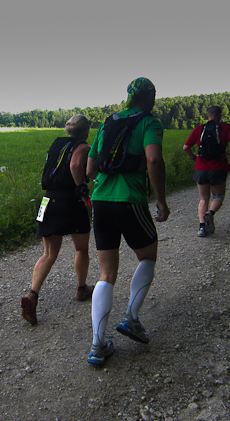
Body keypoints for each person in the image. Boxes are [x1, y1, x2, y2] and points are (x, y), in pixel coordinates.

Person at [85, 77, 169, 365]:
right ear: (150, 97)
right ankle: (131, 318)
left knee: (106, 273)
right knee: (147, 255)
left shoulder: (108, 122)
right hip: (129, 198)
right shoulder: (149, 122)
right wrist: (161, 200)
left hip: (100, 200)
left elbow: (90, 167)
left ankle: (98, 345)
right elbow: (154, 160)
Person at [21, 115, 94, 325]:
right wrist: (82, 191)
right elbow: (75, 165)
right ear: (85, 130)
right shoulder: (83, 146)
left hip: (47, 201)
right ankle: (81, 288)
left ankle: (32, 294)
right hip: (70, 201)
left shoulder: (56, 145)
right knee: (81, 249)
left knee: (48, 253)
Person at [183, 106, 230, 238]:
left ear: (208, 115)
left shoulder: (199, 129)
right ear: (219, 115)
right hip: (219, 167)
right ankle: (210, 213)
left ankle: (202, 227)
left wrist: (194, 158)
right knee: (218, 196)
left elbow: (186, 147)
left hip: (200, 167)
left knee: (203, 199)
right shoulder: (225, 127)